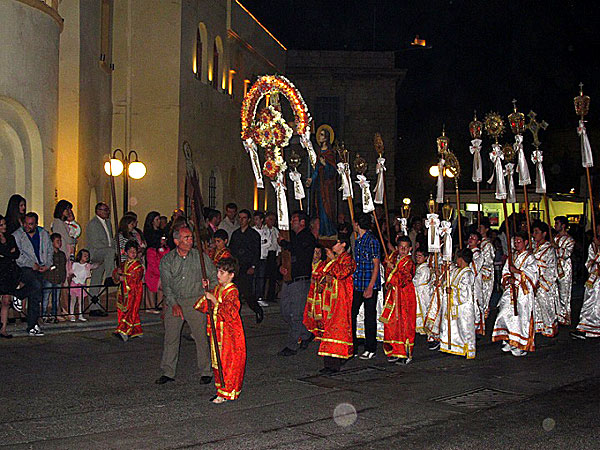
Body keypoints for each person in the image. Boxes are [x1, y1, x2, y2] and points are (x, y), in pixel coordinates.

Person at [155, 227, 217, 385]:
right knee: (171, 338)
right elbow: (167, 286)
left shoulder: (200, 257)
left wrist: (209, 289)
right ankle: (168, 371)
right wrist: (174, 304)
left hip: (195, 300)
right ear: (177, 241)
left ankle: (206, 370)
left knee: (201, 337)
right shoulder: (167, 260)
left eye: (191, 237)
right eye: (186, 238)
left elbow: (213, 277)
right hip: (174, 301)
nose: (190, 240)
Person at [195, 257, 247, 403]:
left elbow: (229, 312)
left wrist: (214, 300)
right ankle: (221, 389)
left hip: (229, 334)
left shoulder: (232, 291)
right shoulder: (218, 288)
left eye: (223, 272)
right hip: (217, 332)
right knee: (218, 362)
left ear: (231, 275)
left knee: (228, 361)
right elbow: (208, 305)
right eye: (218, 271)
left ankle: (228, 391)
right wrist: (207, 289)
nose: (218, 274)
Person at [492, 232, 538, 356]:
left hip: (523, 293)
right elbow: (505, 271)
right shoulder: (512, 257)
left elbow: (532, 275)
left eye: (519, 241)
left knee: (522, 318)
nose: (516, 244)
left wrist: (517, 275)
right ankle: (509, 339)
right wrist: (508, 279)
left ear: (526, 242)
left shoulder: (530, 258)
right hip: (510, 291)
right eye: (515, 242)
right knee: (505, 313)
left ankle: (521, 344)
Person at [278, 211, 317, 356]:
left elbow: (298, 251)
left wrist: (283, 243)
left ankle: (292, 345)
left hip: (300, 279)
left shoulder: (307, 237)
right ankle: (306, 334)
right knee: (285, 311)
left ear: (302, 222)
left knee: (296, 314)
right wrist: (281, 268)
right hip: (288, 278)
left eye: (294, 219)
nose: (292, 221)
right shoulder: (292, 237)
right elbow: (286, 256)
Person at [317, 237, 356, 374]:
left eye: (337, 242)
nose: (334, 245)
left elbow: (341, 274)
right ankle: (329, 362)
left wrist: (333, 260)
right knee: (328, 329)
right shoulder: (332, 258)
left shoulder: (348, 259)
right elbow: (323, 273)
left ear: (343, 244)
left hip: (341, 301)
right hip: (329, 301)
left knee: (337, 331)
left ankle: (335, 363)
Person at [13, 212, 52, 336]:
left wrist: (47, 265)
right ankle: (18, 295)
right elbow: (18, 256)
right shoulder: (17, 236)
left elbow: (49, 251)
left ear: (36, 224)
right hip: (24, 268)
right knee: (35, 285)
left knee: (35, 295)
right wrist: (31, 264)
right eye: (26, 224)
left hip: (40, 267)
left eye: (31, 224)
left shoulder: (43, 234)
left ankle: (32, 325)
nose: (28, 227)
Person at [380, 236, 416, 364]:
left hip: (404, 297)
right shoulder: (395, 257)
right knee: (392, 323)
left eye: (406, 248)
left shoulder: (409, 262)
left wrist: (393, 268)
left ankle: (405, 354)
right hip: (393, 295)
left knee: (404, 324)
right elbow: (388, 271)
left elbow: (404, 279)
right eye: (401, 247)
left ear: (410, 248)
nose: (403, 250)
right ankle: (395, 350)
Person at [352, 213, 381, 360]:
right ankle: (353, 345)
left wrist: (370, 286)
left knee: (370, 316)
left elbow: (376, 265)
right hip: (357, 282)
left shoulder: (372, 241)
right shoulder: (358, 240)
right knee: (352, 314)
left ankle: (371, 347)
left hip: (369, 283)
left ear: (357, 224)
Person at [438, 248, 476, 359]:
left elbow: (465, 293)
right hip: (453, 305)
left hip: (463, 307)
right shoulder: (456, 270)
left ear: (461, 259)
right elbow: (448, 280)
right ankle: (452, 346)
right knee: (452, 326)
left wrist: (452, 292)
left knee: (464, 328)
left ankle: (466, 349)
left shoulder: (468, 274)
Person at [228, 209, 263, 322]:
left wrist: (253, 266)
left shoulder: (253, 235)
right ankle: (234, 316)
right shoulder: (235, 234)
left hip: (247, 267)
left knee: (248, 293)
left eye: (244, 218)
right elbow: (232, 251)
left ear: (248, 220)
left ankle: (257, 309)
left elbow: (256, 252)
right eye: (240, 218)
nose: (241, 220)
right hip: (237, 268)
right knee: (235, 293)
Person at [570, 224, 600, 340]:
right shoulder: (593, 245)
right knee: (589, 302)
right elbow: (589, 262)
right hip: (594, 279)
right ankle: (585, 327)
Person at [86, 202, 116, 316]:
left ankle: (94, 306)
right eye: (105, 210)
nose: (107, 212)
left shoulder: (108, 223)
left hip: (106, 255)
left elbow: (110, 239)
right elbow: (95, 242)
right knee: (110, 252)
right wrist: (110, 249)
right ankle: (110, 277)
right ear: (98, 211)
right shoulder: (93, 224)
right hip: (96, 252)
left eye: (107, 210)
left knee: (96, 279)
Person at [306, 127, 337, 236]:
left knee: (327, 208)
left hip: (328, 187)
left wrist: (326, 164)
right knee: (320, 208)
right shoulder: (319, 153)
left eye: (322, 135)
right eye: (320, 134)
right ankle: (322, 230)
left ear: (327, 138)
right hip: (320, 186)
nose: (320, 136)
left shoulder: (330, 153)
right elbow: (317, 170)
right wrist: (311, 179)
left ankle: (329, 230)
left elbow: (333, 171)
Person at [531, 221, 559, 338]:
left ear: (544, 234)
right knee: (534, 305)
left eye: (536, 232)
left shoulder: (549, 249)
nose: (534, 234)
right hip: (532, 280)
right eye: (533, 232)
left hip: (544, 283)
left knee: (545, 305)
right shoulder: (532, 247)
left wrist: (542, 282)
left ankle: (550, 327)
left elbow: (551, 269)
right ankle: (539, 326)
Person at [113, 240, 144, 341]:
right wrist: (118, 274)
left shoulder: (138, 265)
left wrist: (124, 278)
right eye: (131, 251)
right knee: (123, 310)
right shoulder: (123, 264)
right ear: (125, 252)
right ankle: (136, 330)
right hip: (123, 291)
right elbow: (115, 274)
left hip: (134, 292)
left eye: (134, 251)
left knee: (130, 310)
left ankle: (124, 331)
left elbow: (136, 277)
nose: (133, 253)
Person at [0, 214, 21, 338]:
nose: (4, 227)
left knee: (6, 301)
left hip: (8, 270)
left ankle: (3, 329)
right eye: (1, 225)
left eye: (4, 224)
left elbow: (16, 253)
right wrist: (8, 252)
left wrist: (6, 254)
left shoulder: (10, 237)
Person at [554, 216, 575, 325]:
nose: (555, 225)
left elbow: (567, 254)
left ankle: (565, 316)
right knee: (555, 292)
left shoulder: (569, 239)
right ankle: (557, 315)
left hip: (564, 268)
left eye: (557, 223)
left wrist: (556, 247)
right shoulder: (555, 237)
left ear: (563, 225)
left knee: (564, 292)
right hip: (554, 267)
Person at [303, 247, 327, 339]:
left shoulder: (323, 265)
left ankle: (319, 332)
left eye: (319, 252)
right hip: (308, 293)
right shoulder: (307, 264)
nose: (317, 255)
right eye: (315, 252)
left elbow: (324, 278)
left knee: (318, 313)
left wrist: (316, 281)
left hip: (318, 295)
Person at [144, 211, 165, 313]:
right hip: (152, 256)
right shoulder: (149, 233)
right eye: (157, 219)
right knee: (152, 282)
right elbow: (150, 244)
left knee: (161, 281)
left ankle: (159, 304)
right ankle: (150, 306)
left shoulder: (161, 231)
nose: (159, 221)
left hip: (160, 255)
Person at [42, 233, 67, 323]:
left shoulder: (62, 254)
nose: (59, 243)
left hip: (58, 279)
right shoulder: (48, 254)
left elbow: (63, 267)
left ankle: (54, 314)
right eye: (57, 241)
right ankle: (44, 314)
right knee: (45, 297)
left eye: (60, 241)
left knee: (56, 298)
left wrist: (63, 278)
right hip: (49, 278)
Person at [69, 249, 97, 322]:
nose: (86, 257)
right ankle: (71, 314)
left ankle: (81, 314)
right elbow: (71, 271)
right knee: (73, 300)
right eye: (85, 255)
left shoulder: (87, 265)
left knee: (81, 301)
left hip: (82, 284)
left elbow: (94, 266)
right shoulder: (75, 264)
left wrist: (98, 263)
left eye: (87, 256)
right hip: (74, 283)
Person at [467, 231, 486, 335]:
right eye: (470, 237)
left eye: (473, 238)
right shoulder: (465, 251)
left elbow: (473, 270)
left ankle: (477, 328)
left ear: (478, 242)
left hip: (474, 282)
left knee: (475, 304)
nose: (470, 239)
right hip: (465, 283)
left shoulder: (478, 254)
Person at [477, 217, 495, 319]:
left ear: (486, 229)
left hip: (484, 275)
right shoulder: (476, 242)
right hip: (476, 274)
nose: (479, 229)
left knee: (483, 298)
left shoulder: (487, 245)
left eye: (481, 227)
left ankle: (482, 322)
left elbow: (488, 262)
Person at [413, 248, 432, 336]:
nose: (417, 258)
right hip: (419, 290)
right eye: (416, 256)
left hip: (422, 291)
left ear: (426, 257)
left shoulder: (424, 269)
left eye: (420, 256)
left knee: (423, 308)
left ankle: (424, 327)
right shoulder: (419, 267)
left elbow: (418, 281)